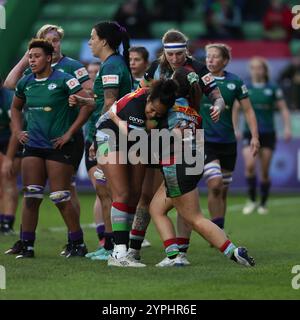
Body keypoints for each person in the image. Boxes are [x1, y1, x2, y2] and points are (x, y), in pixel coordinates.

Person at [128, 29, 225, 264]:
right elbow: (139, 94)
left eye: (180, 54)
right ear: (164, 52)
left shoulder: (198, 68)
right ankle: (134, 248)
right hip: (156, 135)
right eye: (171, 55)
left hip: (188, 136)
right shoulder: (154, 68)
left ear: (186, 50)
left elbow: (216, 95)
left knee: (184, 198)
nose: (175, 59)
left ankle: (180, 253)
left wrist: (219, 105)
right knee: (146, 194)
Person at [149, 66, 255, 267]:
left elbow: (160, 128)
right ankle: (175, 256)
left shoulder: (168, 104)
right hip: (194, 162)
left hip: (176, 164)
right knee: (157, 208)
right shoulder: (195, 110)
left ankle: (233, 251)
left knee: (194, 218)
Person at [3, 24, 93, 253]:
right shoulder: (27, 80)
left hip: (61, 142)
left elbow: (89, 100)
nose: (32, 60)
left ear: (51, 54)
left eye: (36, 56)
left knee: (62, 194)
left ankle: (76, 241)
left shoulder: (68, 73)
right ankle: (26, 243)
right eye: (30, 56)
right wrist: (16, 130)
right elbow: (13, 101)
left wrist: (70, 132)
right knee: (31, 194)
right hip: (34, 144)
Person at [92, 80, 178, 267]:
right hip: (109, 135)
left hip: (134, 140)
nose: (153, 114)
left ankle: (126, 250)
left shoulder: (159, 110)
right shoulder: (135, 104)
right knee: (122, 192)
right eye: (152, 109)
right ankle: (118, 253)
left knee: (135, 193)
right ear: (149, 98)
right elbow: (131, 135)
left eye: (159, 113)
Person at [69, 21, 133, 261]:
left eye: (92, 37)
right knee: (106, 191)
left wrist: (97, 135)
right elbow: (104, 101)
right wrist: (84, 102)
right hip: (110, 134)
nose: (89, 42)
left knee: (112, 192)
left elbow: (110, 103)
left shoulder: (112, 65)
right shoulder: (112, 63)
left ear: (104, 41)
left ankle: (118, 247)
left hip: (109, 136)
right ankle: (111, 244)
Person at [200, 43, 259, 231]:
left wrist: (255, 137)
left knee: (223, 190)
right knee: (215, 184)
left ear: (225, 61)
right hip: (205, 141)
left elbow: (248, 110)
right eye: (208, 56)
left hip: (228, 142)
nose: (210, 59)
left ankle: (219, 228)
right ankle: (215, 231)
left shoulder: (235, 82)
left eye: (215, 56)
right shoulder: (199, 80)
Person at [233, 56, 291, 214]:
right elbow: (236, 109)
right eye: (253, 68)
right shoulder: (246, 87)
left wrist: (287, 128)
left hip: (268, 134)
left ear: (264, 70)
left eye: (259, 68)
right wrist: (236, 128)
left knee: (264, 171)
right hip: (249, 133)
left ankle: (263, 203)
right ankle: (251, 200)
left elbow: (284, 109)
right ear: (250, 70)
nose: (256, 70)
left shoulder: (272, 88)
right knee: (250, 166)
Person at [0, 77, 21, 234]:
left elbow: (16, 130)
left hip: (12, 142)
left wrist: (8, 158)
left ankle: (7, 222)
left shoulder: (8, 98)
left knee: (8, 179)